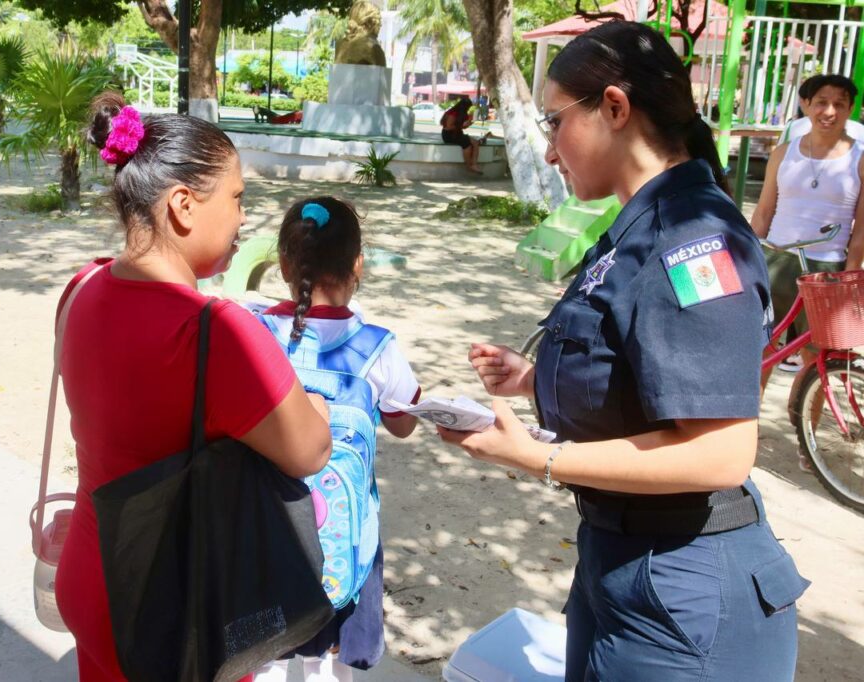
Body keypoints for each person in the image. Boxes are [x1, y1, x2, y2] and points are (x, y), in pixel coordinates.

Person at [439, 22, 809, 682]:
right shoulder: (635, 228)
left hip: (684, 592)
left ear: (614, 107)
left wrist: (539, 456)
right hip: (621, 562)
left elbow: (721, 451)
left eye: (555, 123)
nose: (549, 151)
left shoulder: (695, 239)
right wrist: (532, 380)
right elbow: (636, 362)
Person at [54, 92, 333, 681]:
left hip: (92, 574)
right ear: (183, 205)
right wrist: (315, 404)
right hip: (175, 606)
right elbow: (309, 450)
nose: (242, 218)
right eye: (236, 198)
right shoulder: (215, 332)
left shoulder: (81, 287)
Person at [249, 197, 420, 682]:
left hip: (270, 530)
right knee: (333, 657)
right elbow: (404, 421)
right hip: (348, 536)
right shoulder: (377, 345)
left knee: (265, 652)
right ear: (358, 265)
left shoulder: (258, 333)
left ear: (283, 264)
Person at [752, 74, 864, 414]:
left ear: (850, 110)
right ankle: (746, 434)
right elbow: (764, 211)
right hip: (775, 260)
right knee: (762, 350)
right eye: (820, 103)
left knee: (818, 358)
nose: (829, 111)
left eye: (839, 104)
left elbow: (861, 228)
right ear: (805, 105)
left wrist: (850, 274)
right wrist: (747, 256)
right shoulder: (783, 153)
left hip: (826, 268)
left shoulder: (859, 158)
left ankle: (806, 438)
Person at [440, 97, 489, 174]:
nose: (468, 109)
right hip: (449, 135)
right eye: (467, 107)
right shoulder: (453, 113)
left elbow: (463, 127)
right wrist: (461, 125)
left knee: (475, 143)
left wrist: (470, 121)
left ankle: (474, 164)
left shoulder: (461, 113)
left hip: (457, 134)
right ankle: (469, 166)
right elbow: (448, 127)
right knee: (467, 144)